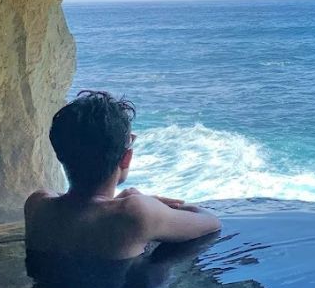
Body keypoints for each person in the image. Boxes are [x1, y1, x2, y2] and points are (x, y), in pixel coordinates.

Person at [24, 90, 221, 260]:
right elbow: (211, 222)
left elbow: (88, 216)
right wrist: (149, 204)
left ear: (59, 153)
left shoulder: (37, 205)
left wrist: (123, 201)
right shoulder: (135, 213)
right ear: (126, 158)